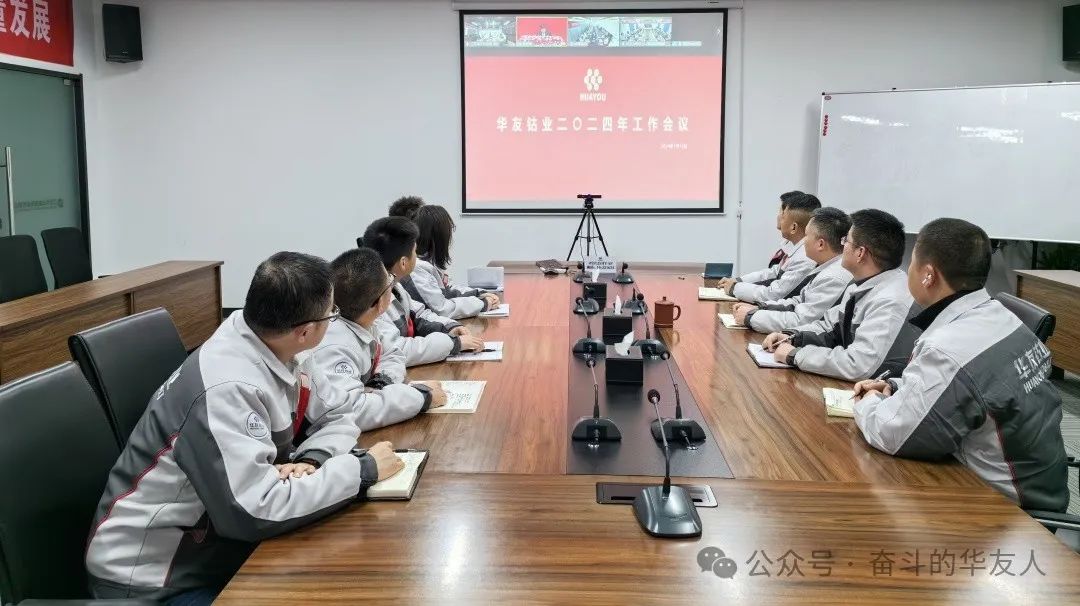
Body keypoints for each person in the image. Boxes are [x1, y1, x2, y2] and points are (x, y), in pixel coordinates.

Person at [86, 252, 404, 604]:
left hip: (213, 547)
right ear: (305, 331)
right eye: (333, 313)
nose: (335, 319)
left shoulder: (281, 344)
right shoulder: (226, 387)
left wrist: (312, 460)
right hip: (153, 578)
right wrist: (361, 471)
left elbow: (338, 413)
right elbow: (253, 511)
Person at [852, 218, 1068, 512]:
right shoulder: (1002, 318)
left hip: (1010, 510)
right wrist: (895, 386)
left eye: (912, 263)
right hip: (1044, 486)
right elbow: (972, 386)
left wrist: (868, 400)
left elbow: (892, 434)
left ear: (928, 275)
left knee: (869, 498)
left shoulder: (948, 347)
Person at [762, 209, 920, 381]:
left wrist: (796, 355)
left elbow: (857, 365)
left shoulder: (890, 300)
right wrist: (793, 337)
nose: (842, 245)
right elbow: (829, 327)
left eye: (846, 240)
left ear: (860, 253)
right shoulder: (861, 283)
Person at [306, 247, 448, 431]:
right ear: (381, 303)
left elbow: (393, 354)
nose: (392, 281)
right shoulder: (332, 344)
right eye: (389, 280)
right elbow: (353, 411)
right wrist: (421, 397)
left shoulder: (365, 321)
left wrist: (381, 384)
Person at [361, 216, 484, 365]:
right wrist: (453, 343)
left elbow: (420, 316)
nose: (417, 257)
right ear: (403, 263)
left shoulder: (394, 286)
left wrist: (450, 328)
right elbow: (397, 350)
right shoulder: (371, 301)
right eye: (414, 252)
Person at [733, 207, 853, 333]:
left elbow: (801, 321)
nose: (803, 241)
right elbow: (797, 302)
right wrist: (759, 308)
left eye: (806, 235)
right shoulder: (825, 267)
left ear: (820, 244)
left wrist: (751, 317)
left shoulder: (833, 277)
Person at [718, 192, 821, 303]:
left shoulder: (804, 258)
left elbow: (773, 294)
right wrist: (737, 281)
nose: (778, 217)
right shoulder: (797, 249)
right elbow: (774, 273)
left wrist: (734, 288)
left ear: (793, 227)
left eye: (782, 215)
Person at [408, 204, 500, 319]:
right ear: (440, 235)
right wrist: (483, 303)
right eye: (449, 230)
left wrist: (479, 293)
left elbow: (450, 290)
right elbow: (442, 309)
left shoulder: (429, 262)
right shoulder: (417, 268)